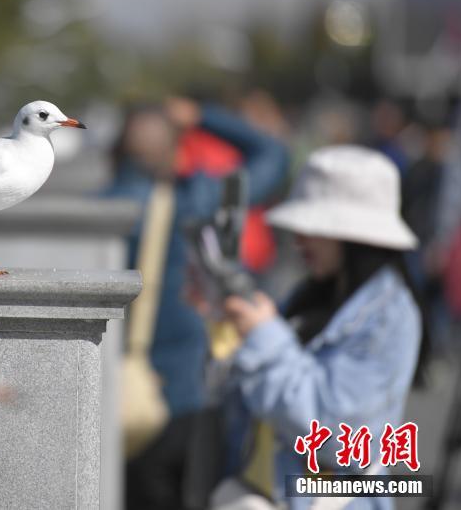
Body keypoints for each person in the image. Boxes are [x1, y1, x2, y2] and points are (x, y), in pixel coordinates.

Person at [209, 145, 422, 510]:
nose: (298, 239)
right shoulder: (315, 293)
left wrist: (263, 336)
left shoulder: (389, 315)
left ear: (353, 235)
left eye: (313, 227)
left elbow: (333, 434)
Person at [106, 96, 289, 510]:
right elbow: (274, 156)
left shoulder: (103, 207)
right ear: (177, 146)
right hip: (193, 389)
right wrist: (202, 117)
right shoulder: (202, 197)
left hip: (122, 392)